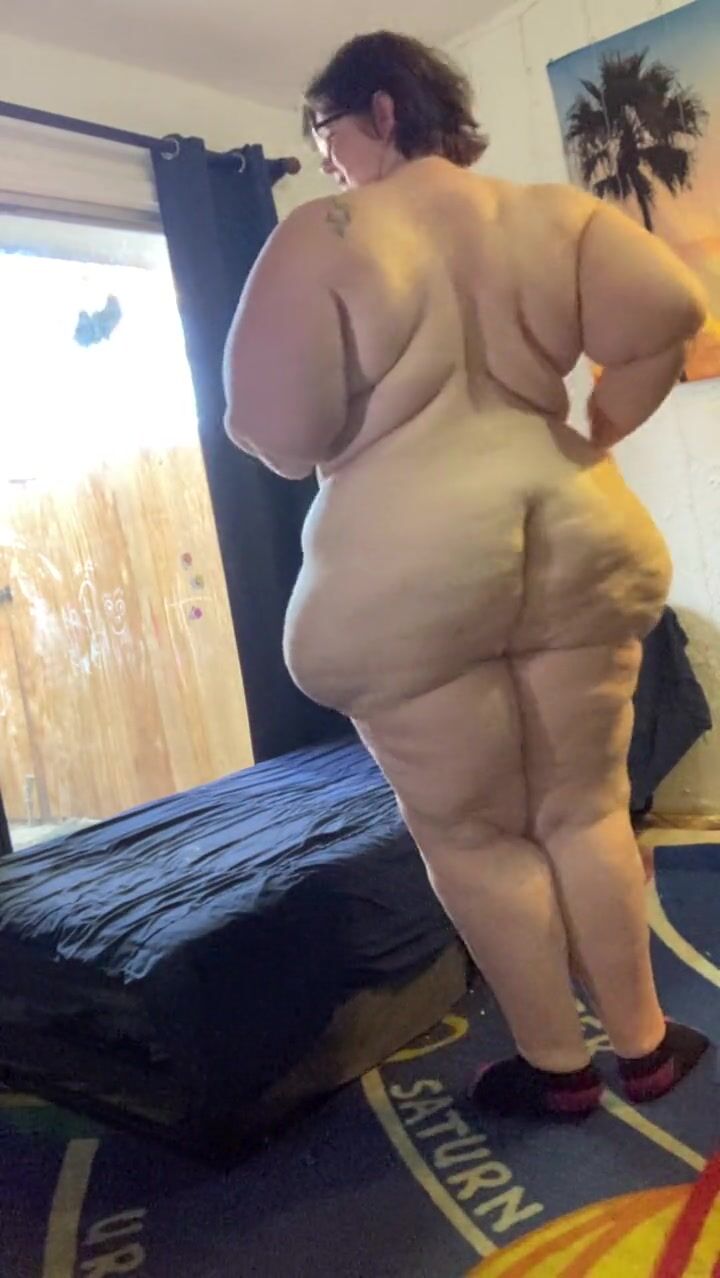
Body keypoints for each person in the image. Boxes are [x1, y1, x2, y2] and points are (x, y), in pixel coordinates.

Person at [223, 31, 709, 1118]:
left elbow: (279, 432)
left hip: (408, 563)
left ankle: (557, 1068)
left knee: (476, 836)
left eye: (326, 134)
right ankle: (644, 1045)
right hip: (574, 528)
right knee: (586, 808)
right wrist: (597, 425)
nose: (326, 161)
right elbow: (671, 314)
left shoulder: (325, 235)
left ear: (382, 111)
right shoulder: (553, 216)